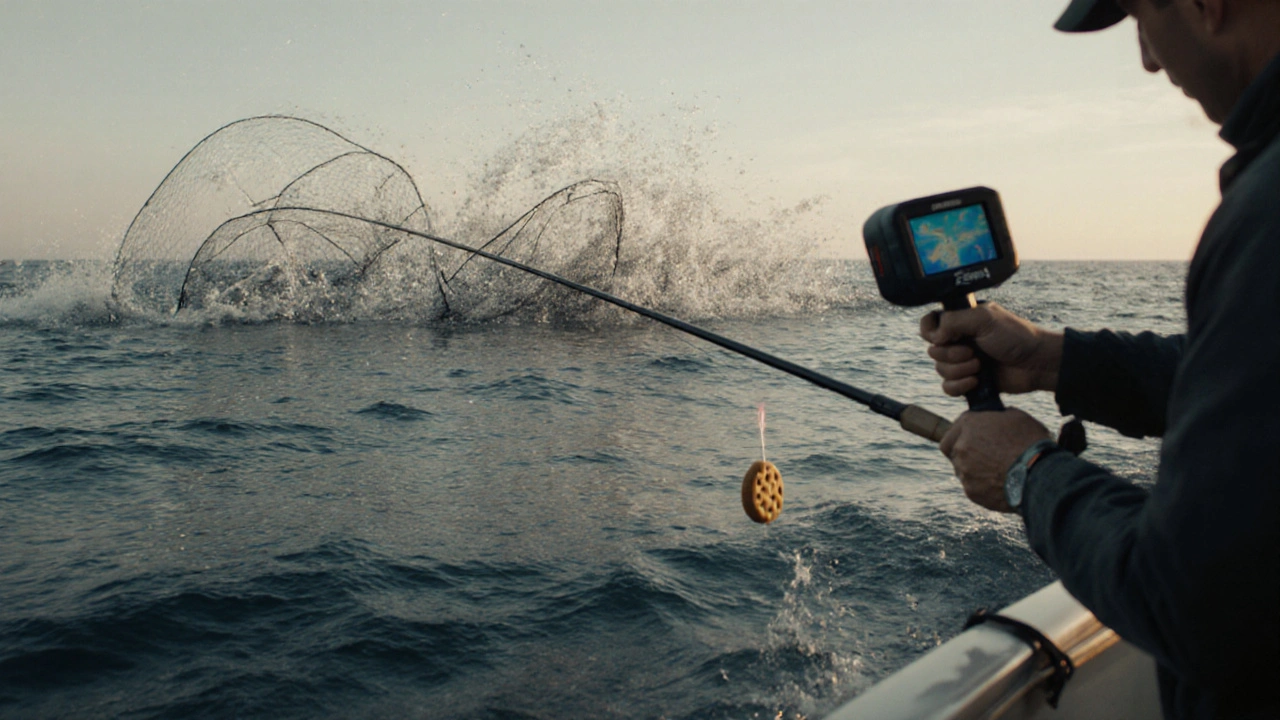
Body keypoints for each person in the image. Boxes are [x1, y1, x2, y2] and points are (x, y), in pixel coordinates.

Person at [919, 0, 1280, 718]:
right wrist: (1055, 360)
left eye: (1142, 16)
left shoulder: (1268, 212)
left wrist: (1028, 471)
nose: (1147, 56)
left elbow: (1191, 602)